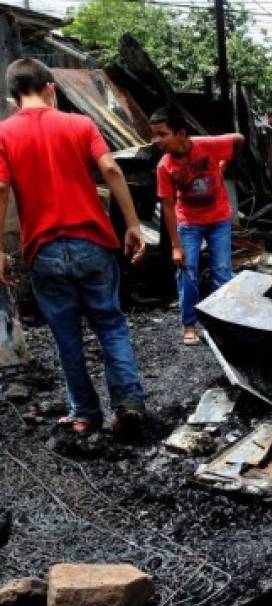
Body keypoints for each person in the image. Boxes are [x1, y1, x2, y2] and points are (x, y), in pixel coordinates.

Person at [0, 58, 147, 434]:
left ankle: (84, 414)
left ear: (13, 98)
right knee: (111, 325)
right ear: (50, 87)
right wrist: (132, 224)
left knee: (67, 337)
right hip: (93, 242)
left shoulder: (3, 134)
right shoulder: (79, 123)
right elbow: (111, 169)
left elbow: (1, 190)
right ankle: (129, 403)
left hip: (44, 250)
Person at [149, 107, 244, 346]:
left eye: (162, 134)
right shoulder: (165, 166)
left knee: (222, 273)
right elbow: (168, 208)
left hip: (219, 218)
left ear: (180, 133)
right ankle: (189, 324)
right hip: (189, 223)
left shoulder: (207, 146)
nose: (157, 141)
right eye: (155, 135)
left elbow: (239, 139)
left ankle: (224, 322)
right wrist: (176, 246)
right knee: (187, 272)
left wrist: (223, 166)